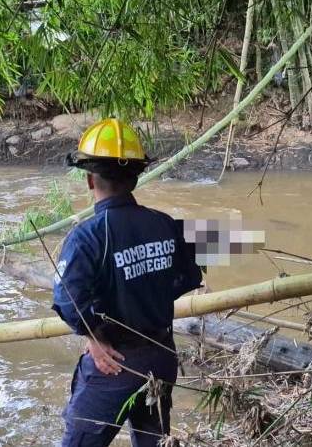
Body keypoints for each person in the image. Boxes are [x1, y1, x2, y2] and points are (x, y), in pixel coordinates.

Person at [52, 118, 203, 447]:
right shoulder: (164, 224)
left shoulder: (87, 236)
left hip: (114, 364)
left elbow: (68, 300)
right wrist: (148, 292)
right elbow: (190, 275)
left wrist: (93, 335)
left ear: (90, 179)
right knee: (153, 441)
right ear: (135, 178)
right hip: (163, 355)